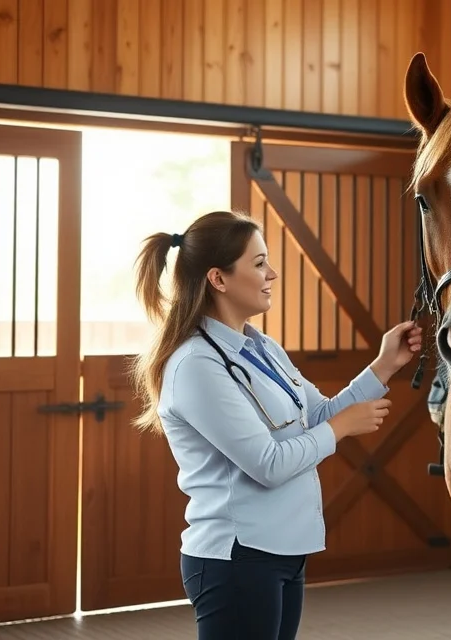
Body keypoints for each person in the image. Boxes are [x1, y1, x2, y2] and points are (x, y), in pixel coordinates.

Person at [129, 210, 423, 639]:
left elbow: (317, 415)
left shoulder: (261, 347)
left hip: (284, 551)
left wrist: (383, 366)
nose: (274, 273)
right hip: (237, 558)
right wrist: (340, 429)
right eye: (259, 262)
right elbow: (268, 463)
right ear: (218, 279)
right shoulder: (196, 365)